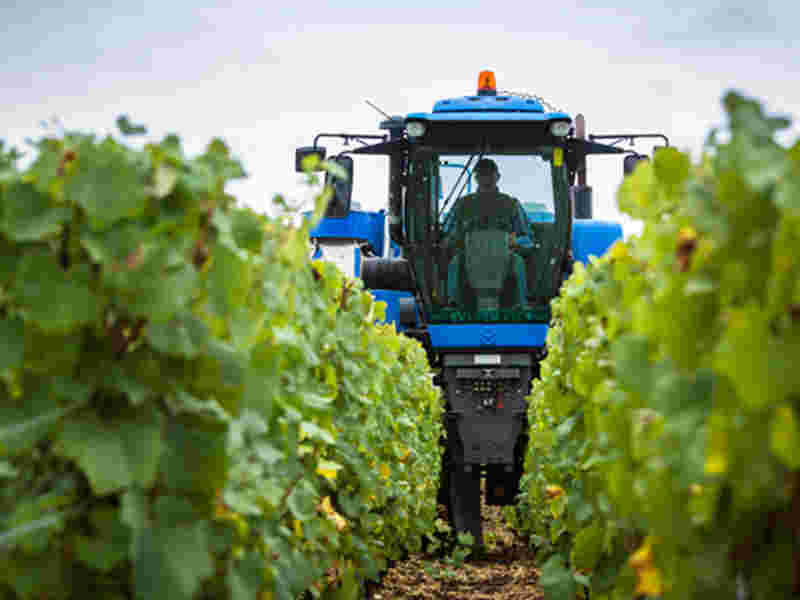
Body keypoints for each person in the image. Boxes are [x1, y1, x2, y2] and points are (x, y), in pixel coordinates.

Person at [442, 158, 533, 308]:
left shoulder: (511, 204)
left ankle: (521, 305)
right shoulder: (463, 205)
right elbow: (449, 236)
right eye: (482, 174)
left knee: (518, 263)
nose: (486, 177)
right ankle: (453, 304)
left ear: (497, 177)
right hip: (468, 259)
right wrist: (452, 241)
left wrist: (516, 241)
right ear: (476, 177)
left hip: (505, 260)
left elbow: (528, 239)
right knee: (455, 264)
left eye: (489, 174)